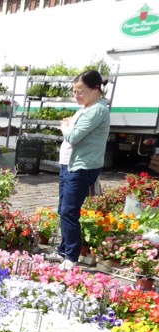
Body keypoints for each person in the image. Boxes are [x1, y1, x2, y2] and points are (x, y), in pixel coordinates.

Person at [56, 69, 110, 270]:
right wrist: (69, 127)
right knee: (64, 210)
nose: (77, 95)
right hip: (69, 165)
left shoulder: (97, 110)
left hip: (80, 167)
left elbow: (73, 136)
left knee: (70, 211)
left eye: (81, 91)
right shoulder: (86, 108)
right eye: (74, 91)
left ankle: (71, 257)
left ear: (96, 89)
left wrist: (64, 127)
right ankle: (63, 251)